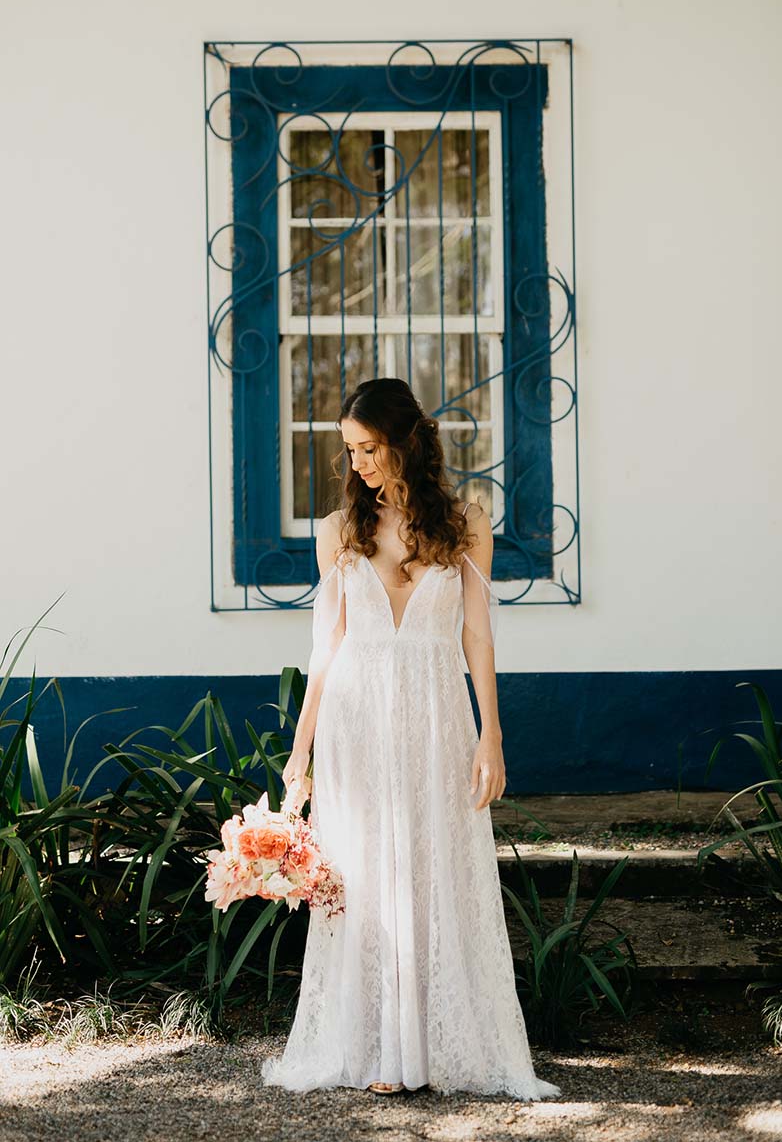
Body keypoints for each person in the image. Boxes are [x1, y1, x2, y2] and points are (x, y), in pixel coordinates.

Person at [260, 377, 562, 1101]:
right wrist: (299, 755)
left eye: (368, 447)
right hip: (356, 728)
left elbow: (478, 638)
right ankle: (375, 1046)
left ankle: (434, 1042)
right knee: (364, 876)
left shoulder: (467, 525)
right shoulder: (338, 530)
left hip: (436, 719)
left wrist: (492, 737)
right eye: (349, 450)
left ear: (404, 441)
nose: (357, 462)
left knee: (434, 870)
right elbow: (325, 649)